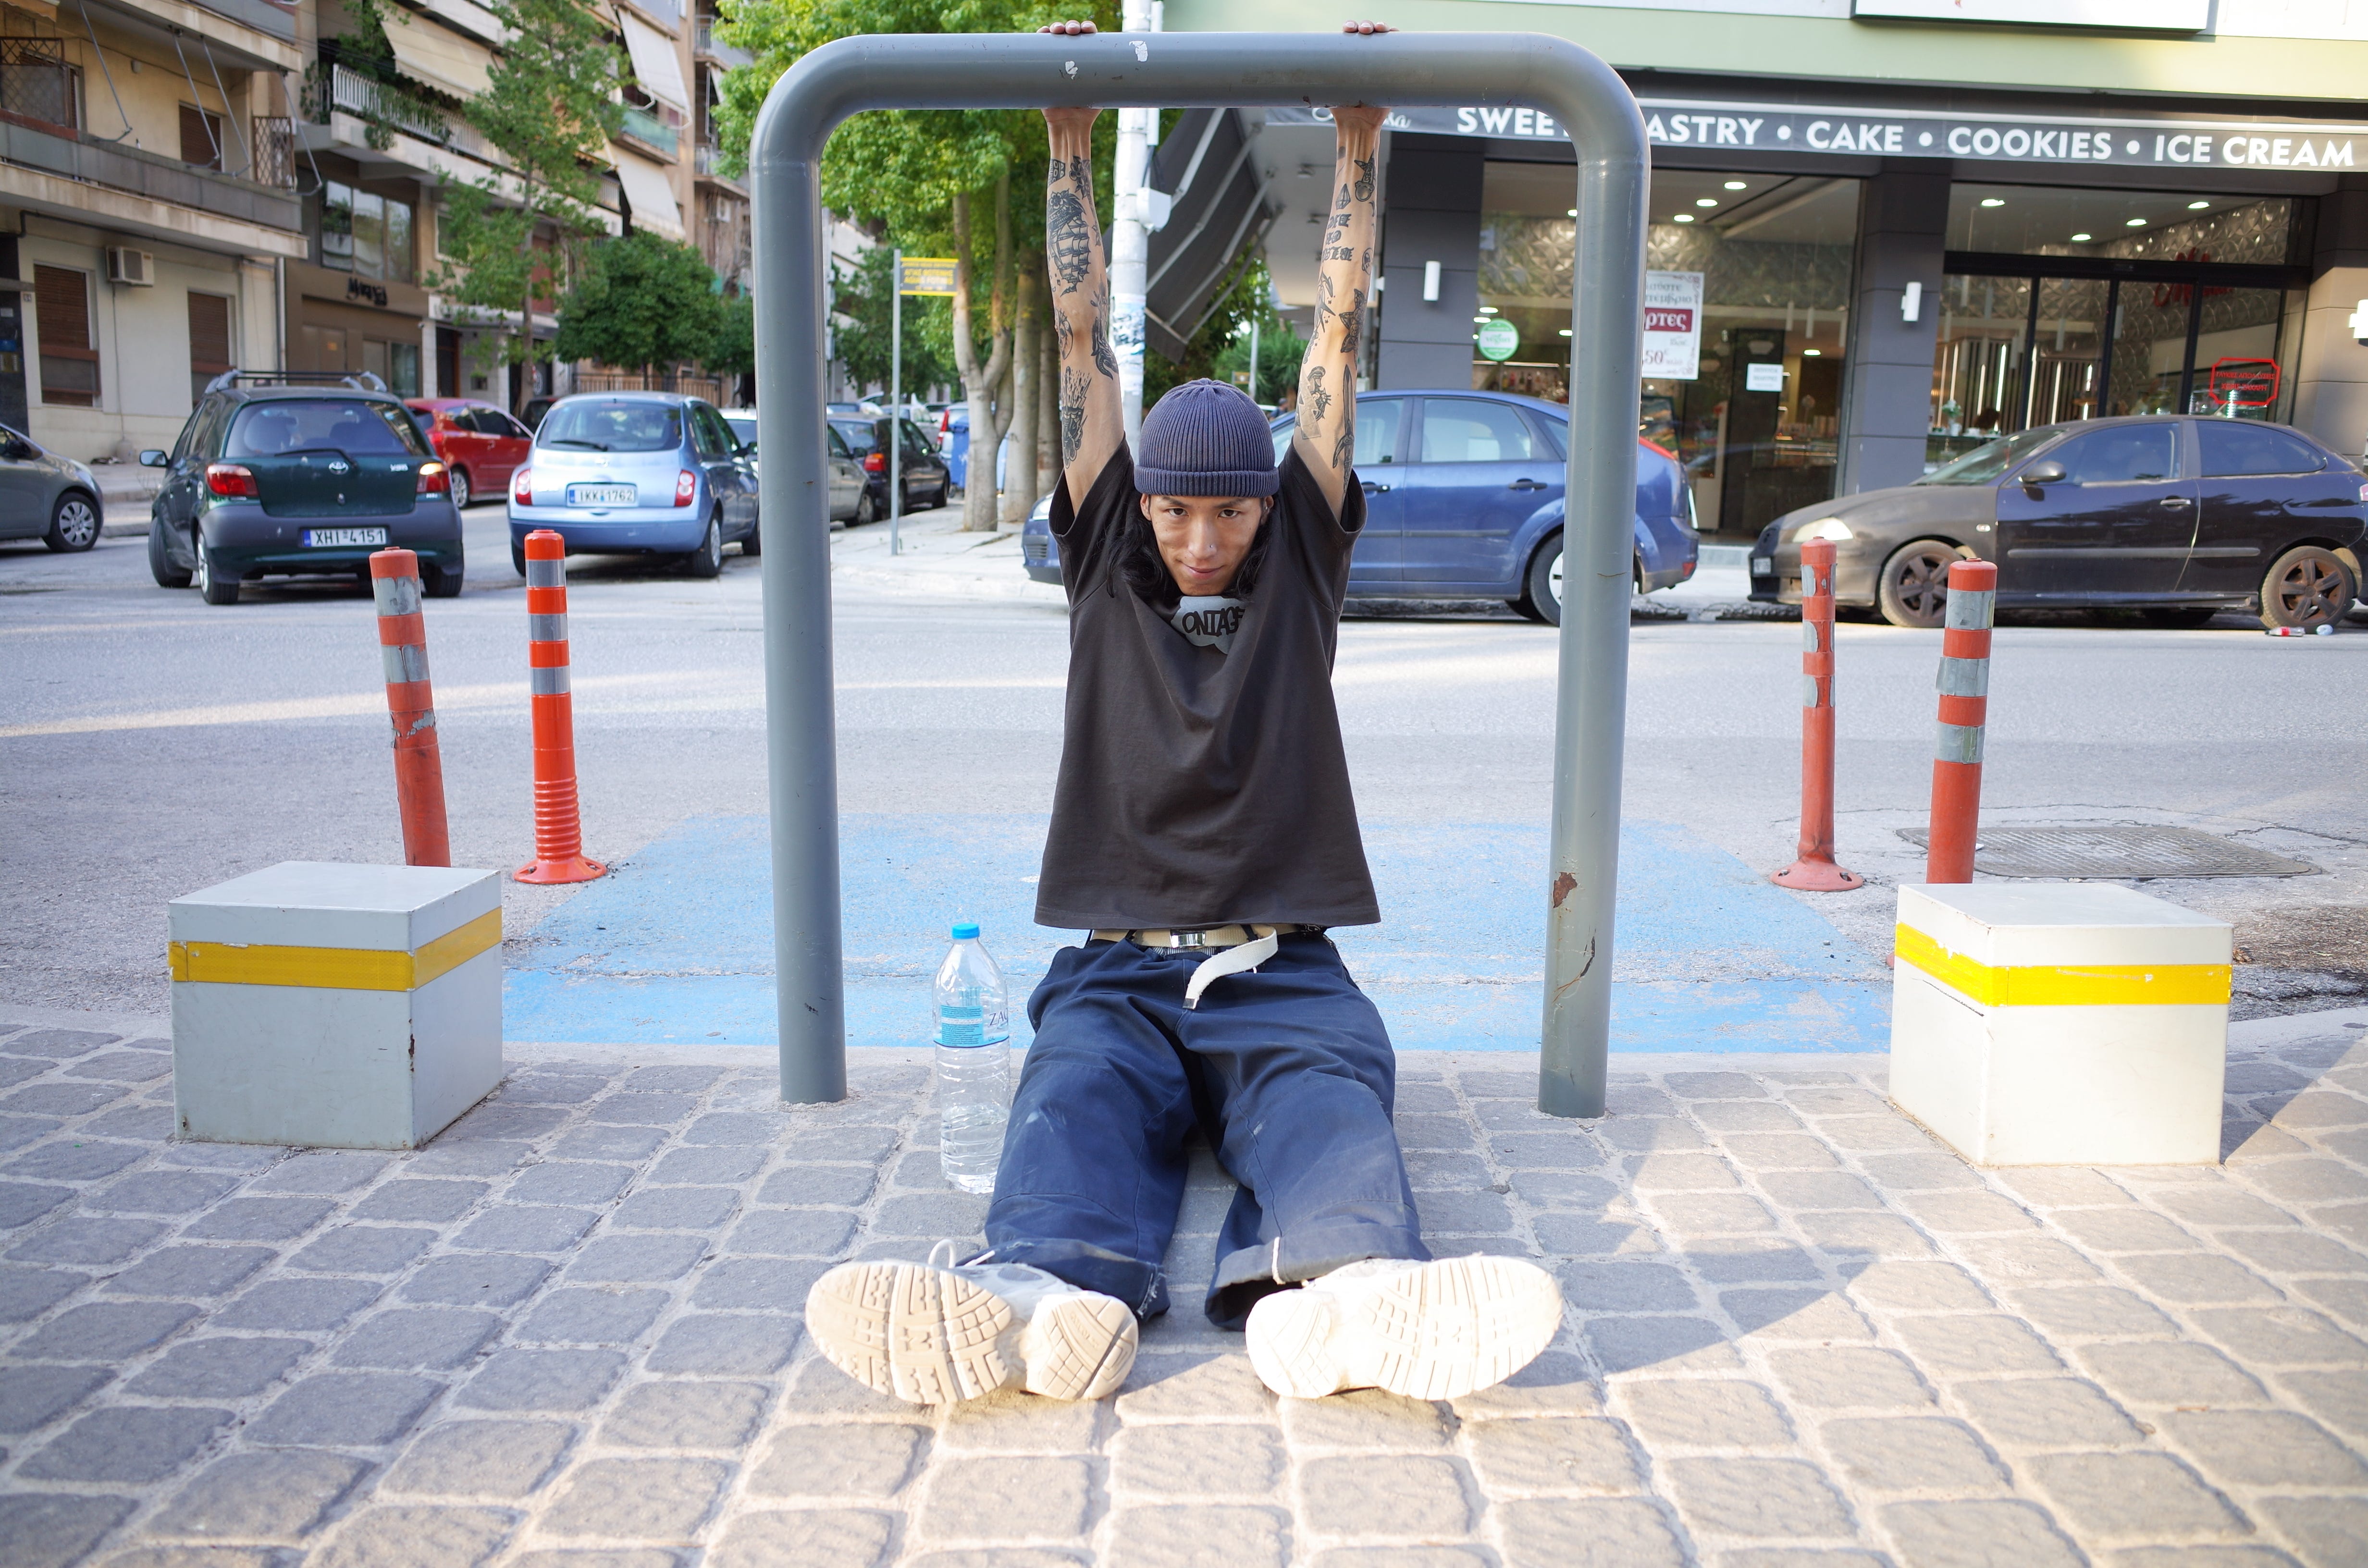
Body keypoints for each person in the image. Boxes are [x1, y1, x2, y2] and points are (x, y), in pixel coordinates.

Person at [806, 19, 1562, 1409]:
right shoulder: (1105, 555)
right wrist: (1068, 134)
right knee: (1073, 1097)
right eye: (1174, 510)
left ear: (1269, 508)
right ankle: (1035, 1302)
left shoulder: (1303, 563)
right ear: (1139, 503)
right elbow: (1080, 334)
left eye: (1229, 512)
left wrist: (1359, 140)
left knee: (1330, 1102)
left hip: (1282, 964)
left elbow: (1339, 333)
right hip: (1119, 963)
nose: (1201, 540)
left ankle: (1350, 1298)